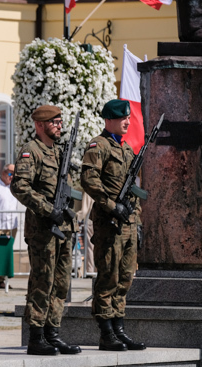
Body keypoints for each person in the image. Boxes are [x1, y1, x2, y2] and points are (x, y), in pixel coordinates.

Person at [11, 105, 81, 356]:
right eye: (54, 122)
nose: (59, 125)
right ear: (40, 125)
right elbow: (20, 187)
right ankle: (36, 337)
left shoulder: (59, 152)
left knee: (61, 284)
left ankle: (53, 334)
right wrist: (47, 209)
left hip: (63, 227)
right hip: (43, 229)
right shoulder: (32, 151)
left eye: (60, 121)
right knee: (43, 282)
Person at [80, 99, 145, 351]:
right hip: (109, 223)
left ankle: (119, 329)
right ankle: (106, 332)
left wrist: (136, 220)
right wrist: (110, 205)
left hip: (128, 223)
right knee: (108, 277)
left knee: (126, 278)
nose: (128, 121)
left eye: (128, 118)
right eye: (122, 118)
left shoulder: (127, 149)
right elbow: (89, 180)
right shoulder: (99, 146)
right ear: (109, 120)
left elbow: (134, 191)